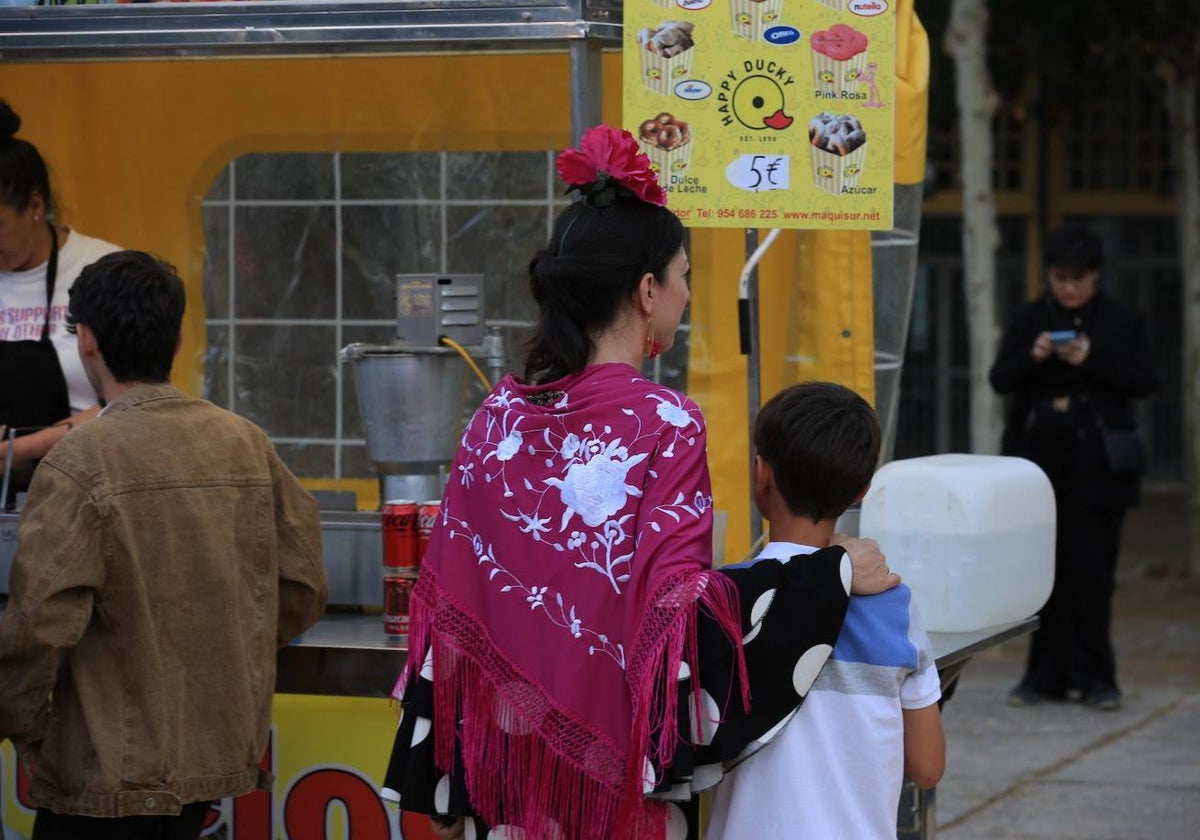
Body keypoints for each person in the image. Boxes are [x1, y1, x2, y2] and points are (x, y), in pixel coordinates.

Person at [380, 125, 898, 840]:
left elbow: (453, 617)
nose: (686, 295)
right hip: (617, 789)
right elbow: (680, 616)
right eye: (684, 276)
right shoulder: (667, 422)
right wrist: (829, 572)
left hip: (505, 779)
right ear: (647, 289)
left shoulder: (495, 418)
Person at [0, 250, 329, 839]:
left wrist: (27, 730)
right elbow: (302, 587)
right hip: (215, 764)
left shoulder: (80, 460)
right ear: (178, 341)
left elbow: (36, 625)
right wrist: (220, 651)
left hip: (104, 778)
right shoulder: (245, 442)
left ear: (88, 342)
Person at [705, 382, 944, 839]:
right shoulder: (893, 605)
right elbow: (928, 767)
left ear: (761, 474)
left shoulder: (723, 597)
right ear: (862, 490)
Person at [990, 222, 1156, 711]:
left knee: (1092, 576)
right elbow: (1000, 378)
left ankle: (1098, 679)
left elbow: (1143, 381)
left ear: (1095, 277)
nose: (1067, 288)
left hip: (1098, 472)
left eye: (1077, 278)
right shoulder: (1030, 317)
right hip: (1040, 470)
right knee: (1043, 576)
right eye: (1059, 277)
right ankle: (1044, 677)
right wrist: (1036, 356)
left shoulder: (1121, 320)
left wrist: (1091, 359)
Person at [0, 98, 121, 507]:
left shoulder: (102, 271)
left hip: (85, 492)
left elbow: (129, 401)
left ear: (35, 206)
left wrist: (20, 449)